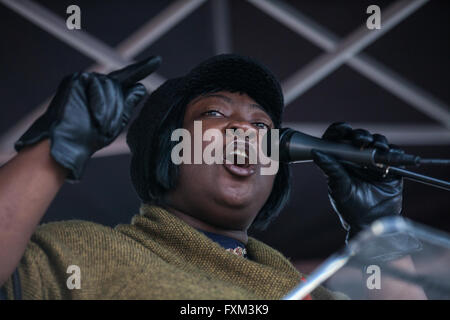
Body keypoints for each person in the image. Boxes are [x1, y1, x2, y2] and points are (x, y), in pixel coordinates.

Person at [0, 54, 420, 300]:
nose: (245, 130)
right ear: (169, 150)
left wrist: (381, 235)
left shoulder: (312, 293)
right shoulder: (88, 251)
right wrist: (55, 147)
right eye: (215, 113)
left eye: (262, 125)